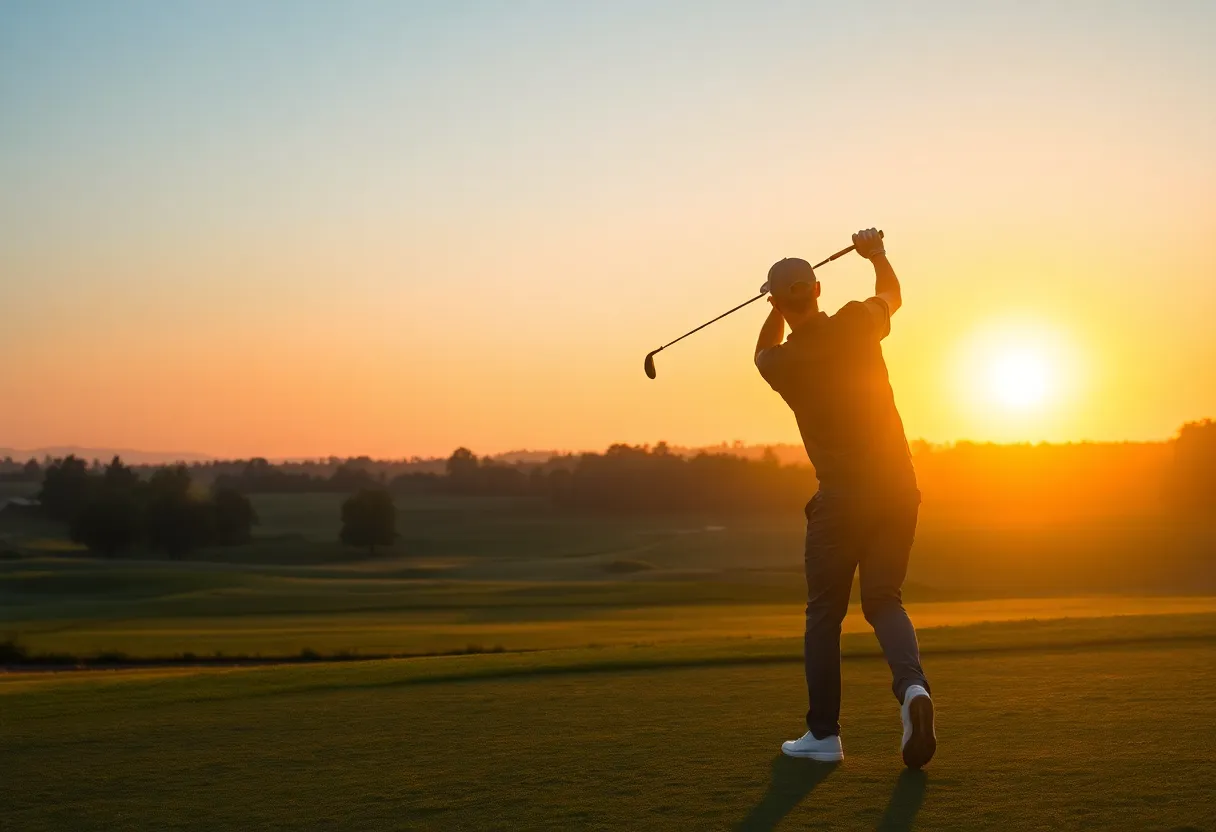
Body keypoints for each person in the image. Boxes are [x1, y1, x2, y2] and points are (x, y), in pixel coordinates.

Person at [754, 228, 935, 768]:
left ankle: (824, 735)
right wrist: (875, 253)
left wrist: (773, 309)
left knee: (824, 614)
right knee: (884, 600)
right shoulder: (858, 321)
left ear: (780, 302)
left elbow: (763, 349)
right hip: (899, 488)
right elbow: (892, 294)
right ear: (816, 290)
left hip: (841, 500)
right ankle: (913, 691)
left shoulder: (783, 364)